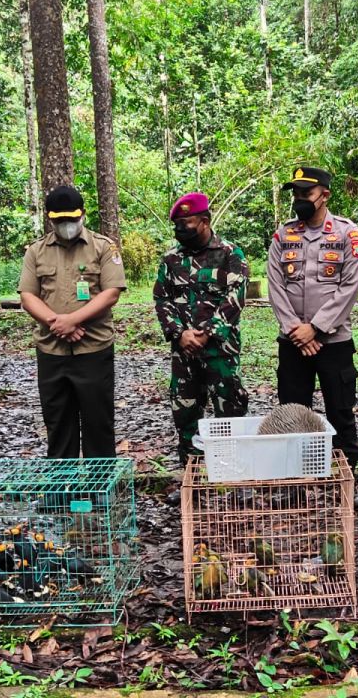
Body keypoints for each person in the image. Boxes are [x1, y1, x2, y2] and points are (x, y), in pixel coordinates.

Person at [266, 166, 358, 508]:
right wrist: (297, 330)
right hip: (293, 342)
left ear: (325, 195)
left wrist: (317, 328)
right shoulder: (283, 235)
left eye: (305, 194)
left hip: (334, 342)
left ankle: (346, 486)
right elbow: (275, 286)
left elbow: (349, 287)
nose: (299, 200)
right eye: (295, 194)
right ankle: (293, 489)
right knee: (293, 413)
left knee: (341, 411)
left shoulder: (346, 234)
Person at [154, 192, 250, 506]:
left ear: (204, 221)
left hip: (220, 352)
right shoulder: (171, 259)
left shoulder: (230, 254)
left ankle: (235, 484)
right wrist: (179, 334)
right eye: (178, 225)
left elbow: (235, 299)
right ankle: (193, 484)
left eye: (187, 223)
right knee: (186, 416)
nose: (181, 229)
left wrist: (207, 333)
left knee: (230, 414)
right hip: (184, 353)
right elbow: (162, 300)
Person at [18, 185, 126, 459]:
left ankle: (100, 496)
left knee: (98, 425)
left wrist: (73, 320)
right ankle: (60, 494)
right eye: (60, 220)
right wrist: (57, 323)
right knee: (58, 425)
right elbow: (28, 295)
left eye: (71, 219)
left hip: (94, 349)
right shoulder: (36, 251)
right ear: (50, 218)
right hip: (51, 351)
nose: (66, 225)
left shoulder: (103, 247)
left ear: (83, 215)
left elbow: (111, 292)